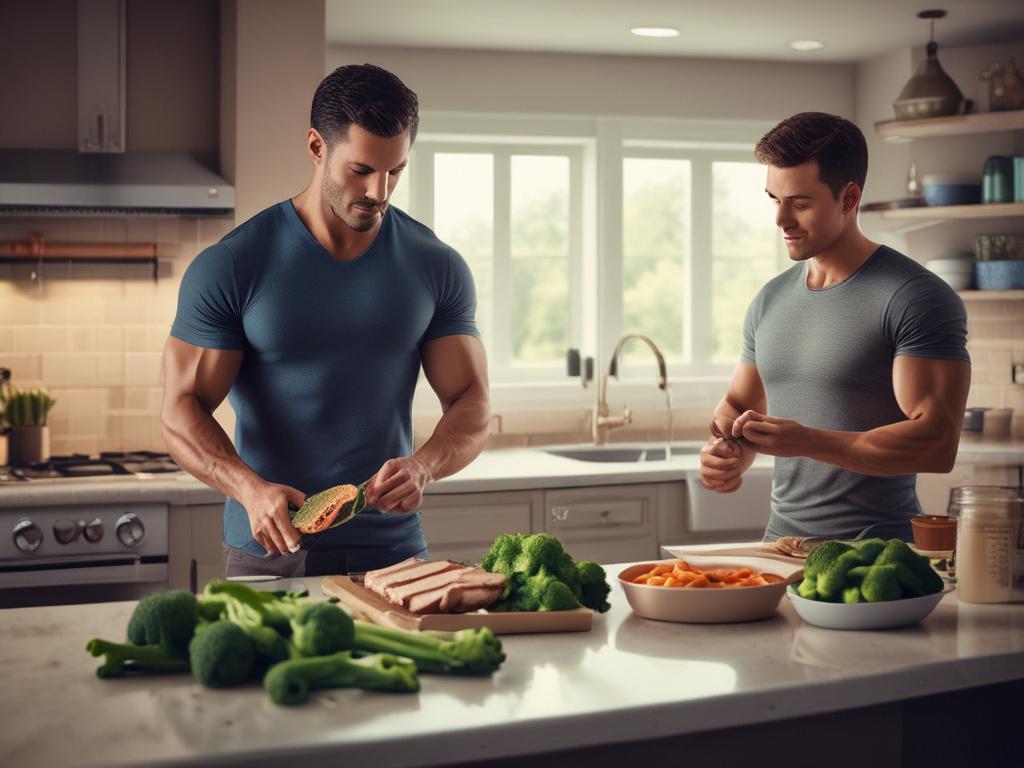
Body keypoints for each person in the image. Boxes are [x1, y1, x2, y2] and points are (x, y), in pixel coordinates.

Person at [161, 64, 490, 577]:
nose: (379, 191)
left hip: (393, 551)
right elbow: (181, 408)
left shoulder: (435, 265)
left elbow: (472, 401)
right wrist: (249, 489)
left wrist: (424, 466)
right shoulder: (234, 264)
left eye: (395, 171)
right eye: (360, 170)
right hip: (268, 549)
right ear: (317, 147)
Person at [699, 112, 971, 542]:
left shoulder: (916, 297)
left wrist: (808, 441)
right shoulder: (769, 300)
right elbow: (736, 405)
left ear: (848, 198)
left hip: (876, 556)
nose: (780, 219)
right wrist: (728, 451)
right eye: (775, 199)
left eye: (800, 203)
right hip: (779, 548)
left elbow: (936, 442)